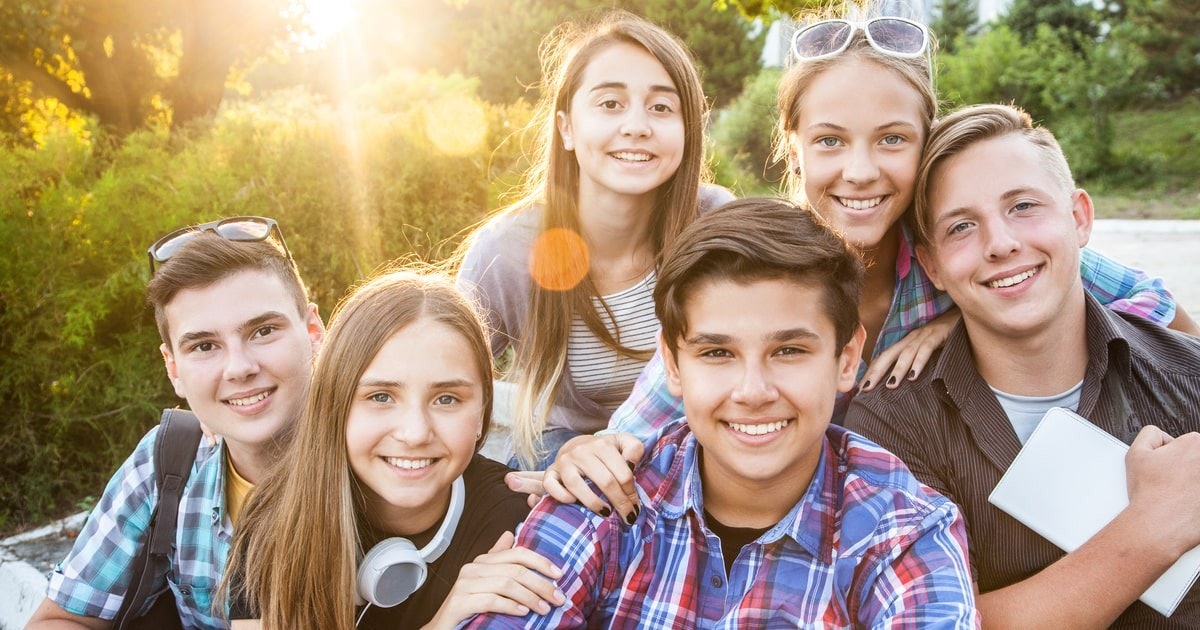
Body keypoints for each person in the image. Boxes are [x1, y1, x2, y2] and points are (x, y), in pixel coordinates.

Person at [524, 6, 1197, 521]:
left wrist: (962, 319)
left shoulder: (958, 255)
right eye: (829, 142)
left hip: (917, 514)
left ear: (926, 143)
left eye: (893, 140)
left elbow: (1153, 310)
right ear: (793, 151)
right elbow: (653, 411)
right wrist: (594, 449)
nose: (860, 172)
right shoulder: (760, 266)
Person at [467, 198, 979, 627]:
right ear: (672, 363)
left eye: (789, 351)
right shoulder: (602, 497)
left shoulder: (905, 532)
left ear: (846, 359)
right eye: (717, 353)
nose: (752, 391)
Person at [845, 103, 1200, 627]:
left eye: (1024, 207)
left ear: (1079, 218)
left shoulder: (1188, 381)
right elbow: (927, 619)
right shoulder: (891, 427)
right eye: (962, 226)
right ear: (932, 265)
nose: (1001, 244)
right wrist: (1154, 526)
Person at [456, 10, 734, 471]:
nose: (637, 126)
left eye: (662, 107)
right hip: (561, 453)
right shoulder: (506, 251)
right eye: (610, 104)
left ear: (688, 130)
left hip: (689, 442)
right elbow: (441, 383)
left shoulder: (714, 224)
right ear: (566, 127)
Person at [27, 217, 325, 628]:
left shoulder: (384, 458)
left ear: (313, 332)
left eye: (263, 331)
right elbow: (62, 619)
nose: (239, 368)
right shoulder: (167, 464)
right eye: (204, 346)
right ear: (173, 369)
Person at [224, 270, 562, 629]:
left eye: (447, 399)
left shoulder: (519, 523)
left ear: (481, 414)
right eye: (381, 397)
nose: (415, 433)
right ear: (334, 406)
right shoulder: (277, 519)